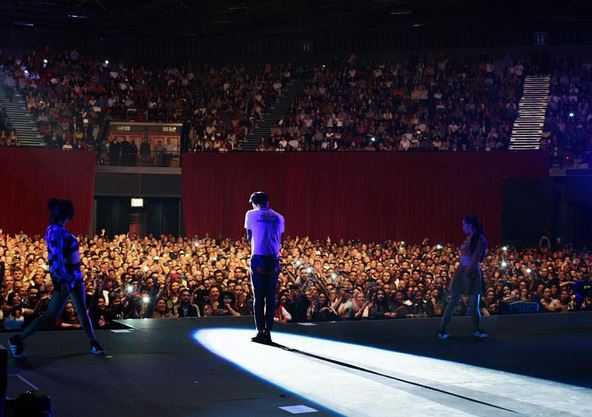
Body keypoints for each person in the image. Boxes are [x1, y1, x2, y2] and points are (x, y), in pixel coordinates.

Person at [7, 199, 105, 358]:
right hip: (66, 278)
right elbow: (56, 257)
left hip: (75, 276)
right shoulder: (55, 231)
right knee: (51, 315)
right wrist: (63, 279)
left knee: (82, 311)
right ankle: (17, 339)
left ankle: (93, 343)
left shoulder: (59, 230)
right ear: (66, 214)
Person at [438, 215, 488, 339]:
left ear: (470, 225)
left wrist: (468, 272)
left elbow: (476, 257)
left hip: (471, 271)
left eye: (464, 224)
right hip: (462, 270)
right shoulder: (469, 238)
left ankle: (478, 329)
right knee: (453, 301)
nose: (463, 227)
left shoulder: (479, 238)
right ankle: (442, 329)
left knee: (473, 304)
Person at [245, 191, 284, 344]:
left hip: (259, 257)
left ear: (255, 203)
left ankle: (260, 330)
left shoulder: (251, 214)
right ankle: (268, 332)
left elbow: (249, 237)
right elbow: (277, 236)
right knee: (271, 297)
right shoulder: (279, 217)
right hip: (274, 258)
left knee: (258, 297)